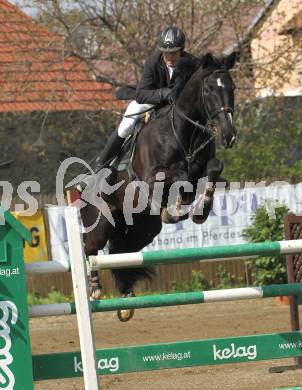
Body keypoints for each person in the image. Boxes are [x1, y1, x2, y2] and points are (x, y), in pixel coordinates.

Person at [91, 26, 194, 174]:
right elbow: (141, 94)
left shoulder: (191, 63)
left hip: (178, 105)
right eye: (166, 53)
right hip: (150, 99)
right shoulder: (153, 61)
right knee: (126, 126)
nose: (169, 57)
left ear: (182, 50)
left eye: (173, 53)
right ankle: (101, 165)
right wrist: (163, 94)